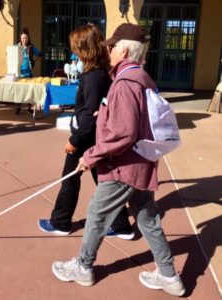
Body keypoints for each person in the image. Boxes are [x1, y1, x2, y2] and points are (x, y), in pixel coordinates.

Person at [51, 23, 186, 297]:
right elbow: (131, 121)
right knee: (147, 219)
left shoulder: (125, 82)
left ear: (123, 50)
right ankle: (169, 275)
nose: (108, 50)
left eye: (111, 46)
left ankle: (84, 268)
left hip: (124, 166)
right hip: (141, 163)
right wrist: (106, 114)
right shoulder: (141, 77)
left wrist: (91, 155)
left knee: (97, 215)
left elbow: (123, 134)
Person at [38, 23, 134, 240]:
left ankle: (60, 222)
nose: (73, 53)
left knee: (70, 179)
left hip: (86, 138)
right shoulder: (97, 73)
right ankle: (121, 226)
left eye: (76, 49)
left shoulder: (93, 78)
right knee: (104, 181)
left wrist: (75, 139)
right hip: (93, 137)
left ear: (86, 50)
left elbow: (91, 114)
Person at [16, 27, 43, 114]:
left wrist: (34, 61)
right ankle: (19, 107)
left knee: (28, 91)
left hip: (28, 73)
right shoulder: (17, 47)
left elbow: (40, 54)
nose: (24, 40)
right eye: (23, 38)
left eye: (26, 38)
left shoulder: (31, 47)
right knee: (19, 91)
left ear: (28, 38)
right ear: (20, 38)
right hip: (19, 73)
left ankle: (29, 107)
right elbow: (9, 53)